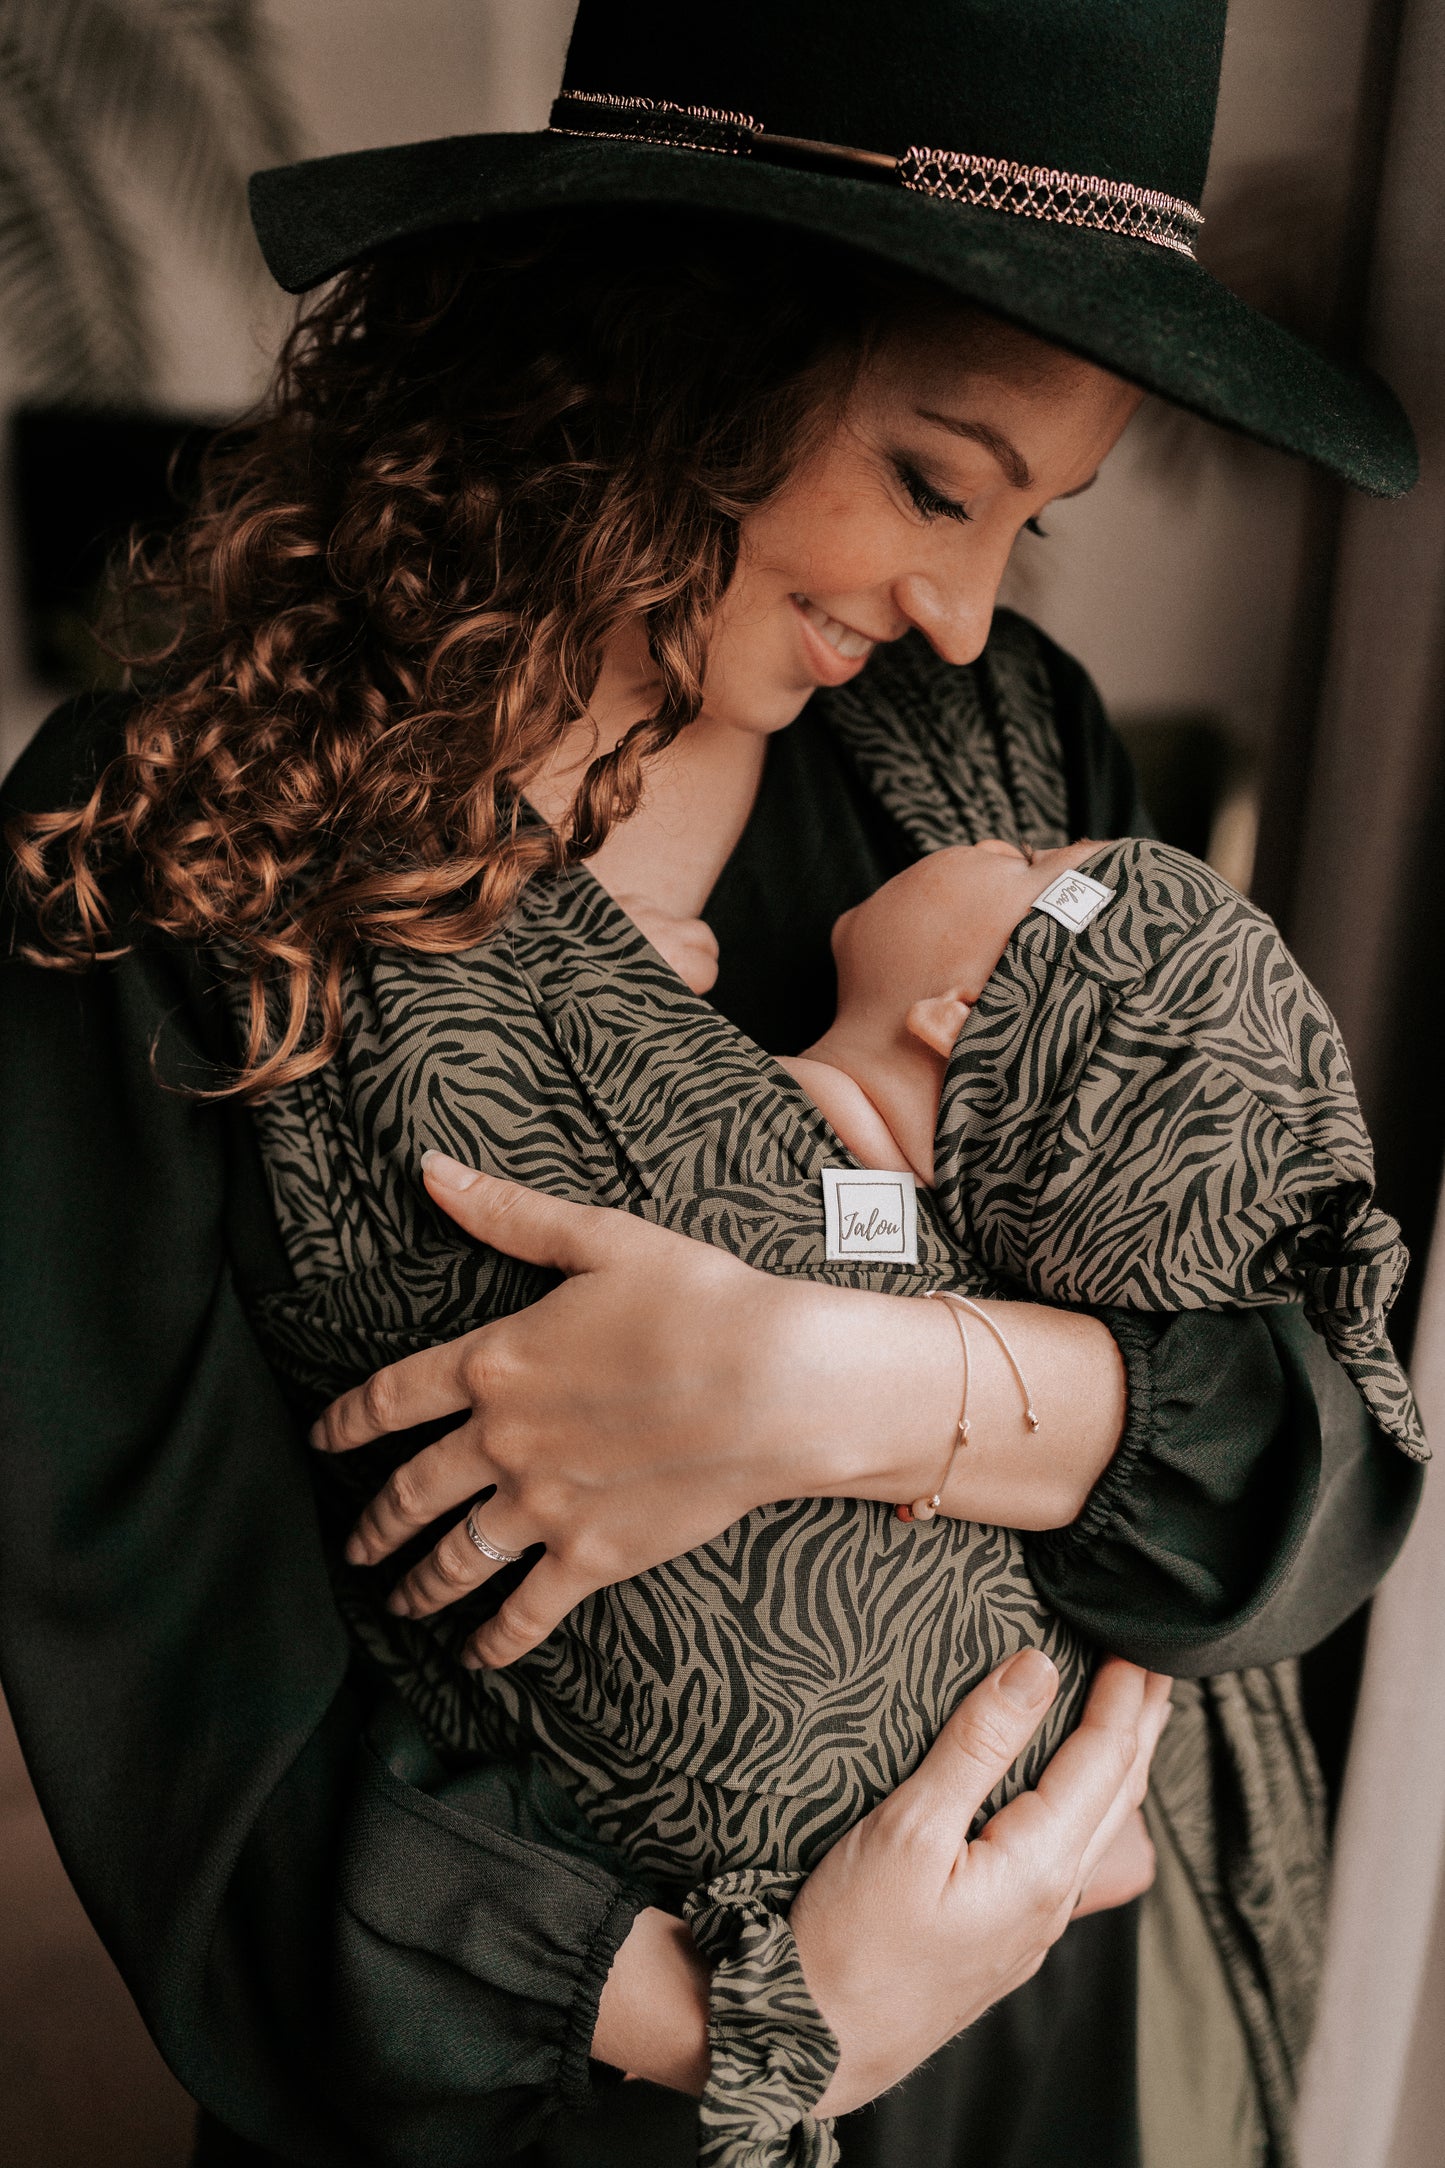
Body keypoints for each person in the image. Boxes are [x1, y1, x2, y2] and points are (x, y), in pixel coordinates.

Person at [0, 3, 1424, 2165]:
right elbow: (172, 1683)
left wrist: (827, 1389)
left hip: (1045, 2039)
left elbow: (1308, 1444)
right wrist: (770, 2021)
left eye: (1024, 524)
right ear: (662, 355)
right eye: (936, 481)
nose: (961, 612)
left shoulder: (1012, 775)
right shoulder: (180, 848)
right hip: (576, 2078)